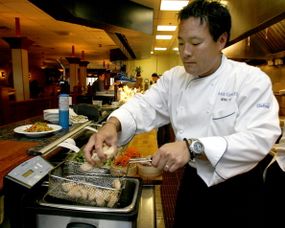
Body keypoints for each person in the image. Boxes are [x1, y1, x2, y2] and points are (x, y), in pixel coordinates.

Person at [84, 0, 281, 227]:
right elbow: (145, 105)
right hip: (193, 182)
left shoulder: (250, 80)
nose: (185, 52)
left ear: (221, 40)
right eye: (181, 43)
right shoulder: (174, 78)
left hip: (240, 189)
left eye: (196, 43)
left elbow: (260, 138)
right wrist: (113, 125)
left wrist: (191, 146)